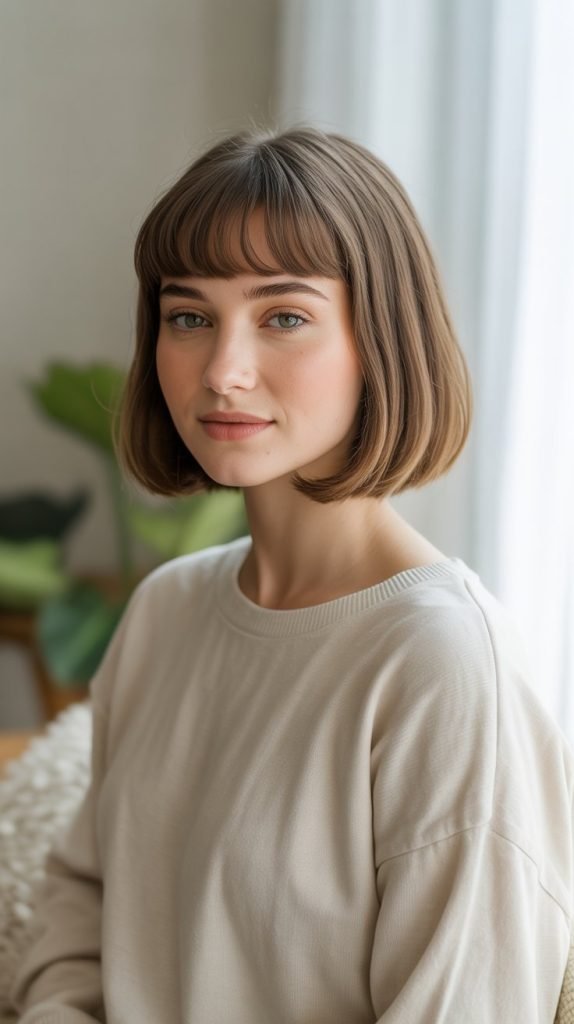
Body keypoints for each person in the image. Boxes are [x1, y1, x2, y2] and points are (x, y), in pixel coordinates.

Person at [11, 126, 574, 1023]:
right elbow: (83, 906)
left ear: (379, 340)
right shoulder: (166, 610)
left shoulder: (443, 663)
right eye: (188, 316)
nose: (223, 372)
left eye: (285, 316)